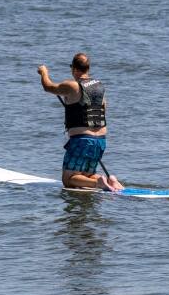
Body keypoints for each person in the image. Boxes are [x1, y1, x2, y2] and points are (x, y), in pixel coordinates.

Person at [38, 53, 123, 192]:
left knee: (67, 179)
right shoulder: (99, 86)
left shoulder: (72, 85)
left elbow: (48, 87)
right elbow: (103, 110)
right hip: (101, 140)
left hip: (82, 141)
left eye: (72, 67)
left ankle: (99, 183)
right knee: (85, 174)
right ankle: (110, 181)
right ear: (87, 68)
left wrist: (43, 72)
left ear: (75, 69)